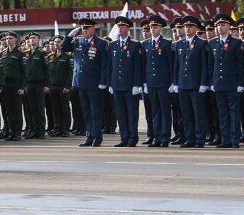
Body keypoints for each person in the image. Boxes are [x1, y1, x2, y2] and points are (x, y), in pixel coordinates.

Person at [61, 18, 109, 146]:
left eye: (87, 28)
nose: (84, 30)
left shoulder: (100, 43)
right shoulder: (78, 41)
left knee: (95, 112)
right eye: (83, 28)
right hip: (80, 83)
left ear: (93, 29)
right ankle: (89, 136)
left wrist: (103, 81)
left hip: (95, 84)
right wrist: (69, 36)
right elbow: (64, 48)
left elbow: (104, 65)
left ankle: (97, 138)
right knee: (86, 112)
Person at [207, 13, 244, 148]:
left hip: (233, 84)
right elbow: (210, 66)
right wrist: (211, 82)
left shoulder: (236, 43)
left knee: (234, 113)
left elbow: (240, 65)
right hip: (218, 84)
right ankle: (225, 140)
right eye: (217, 25)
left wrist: (241, 84)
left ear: (229, 26)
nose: (219, 27)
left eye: (223, 25)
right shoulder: (212, 43)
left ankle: (234, 140)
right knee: (222, 113)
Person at [173, 16, 209, 148]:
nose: (187, 29)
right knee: (186, 113)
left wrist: (204, 83)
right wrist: (175, 83)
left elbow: (204, 65)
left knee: (198, 113)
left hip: (196, 84)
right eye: (186, 27)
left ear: (196, 28)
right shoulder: (180, 44)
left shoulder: (201, 43)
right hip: (183, 83)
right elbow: (176, 65)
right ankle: (190, 138)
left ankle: (200, 139)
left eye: (190, 26)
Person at [107, 16, 142, 147]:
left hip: (130, 85)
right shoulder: (113, 45)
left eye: (122, 27)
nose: (120, 29)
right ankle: (124, 137)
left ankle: (133, 137)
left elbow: (138, 66)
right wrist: (109, 83)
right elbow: (109, 66)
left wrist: (137, 84)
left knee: (132, 113)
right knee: (121, 113)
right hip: (117, 84)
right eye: (118, 27)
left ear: (128, 28)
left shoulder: (135, 44)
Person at [142, 15, 173, 147]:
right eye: (151, 27)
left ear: (161, 28)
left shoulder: (167, 43)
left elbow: (171, 64)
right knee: (155, 111)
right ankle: (157, 137)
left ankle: (165, 137)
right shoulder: (145, 44)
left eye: (155, 27)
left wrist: (172, 82)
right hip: (151, 82)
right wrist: (144, 83)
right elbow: (144, 65)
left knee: (165, 111)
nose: (152, 29)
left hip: (164, 83)